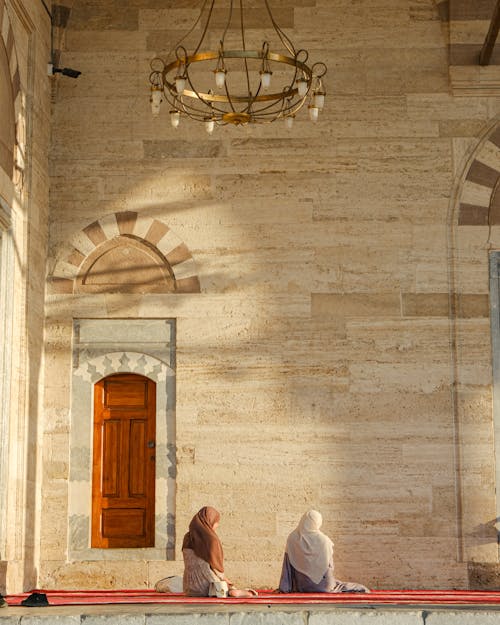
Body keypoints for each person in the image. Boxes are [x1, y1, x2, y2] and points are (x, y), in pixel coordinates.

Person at [279, 509, 369, 593]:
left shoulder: (292, 538)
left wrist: (284, 588)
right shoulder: (324, 540)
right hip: (325, 586)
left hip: (301, 586)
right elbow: (330, 567)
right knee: (341, 585)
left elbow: (287, 567)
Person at [182, 506, 257, 597]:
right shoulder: (211, 540)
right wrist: (227, 581)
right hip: (209, 587)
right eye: (216, 522)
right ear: (209, 521)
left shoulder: (187, 537)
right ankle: (233, 591)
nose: (217, 525)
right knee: (226, 586)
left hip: (189, 588)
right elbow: (216, 568)